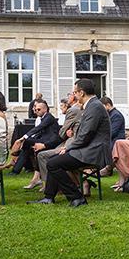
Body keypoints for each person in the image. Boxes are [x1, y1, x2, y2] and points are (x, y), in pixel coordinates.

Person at [34, 79, 112, 207]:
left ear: (81, 93)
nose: (74, 95)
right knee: (53, 161)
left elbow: (86, 135)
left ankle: (77, 197)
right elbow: (84, 134)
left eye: (75, 92)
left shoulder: (95, 106)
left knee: (53, 164)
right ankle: (49, 197)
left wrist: (68, 147)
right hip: (87, 148)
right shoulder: (92, 105)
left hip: (93, 151)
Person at [31, 92, 83, 191]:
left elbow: (61, 133)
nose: (70, 96)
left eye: (73, 93)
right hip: (69, 142)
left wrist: (67, 132)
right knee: (40, 152)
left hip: (72, 145)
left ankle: (50, 187)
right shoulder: (78, 109)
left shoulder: (73, 110)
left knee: (44, 156)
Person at [11, 98, 59, 176]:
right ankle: (17, 166)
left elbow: (39, 128)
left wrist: (23, 138)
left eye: (38, 109)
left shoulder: (49, 117)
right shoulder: (43, 118)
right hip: (44, 139)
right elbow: (39, 131)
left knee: (26, 144)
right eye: (35, 109)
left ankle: (17, 162)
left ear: (45, 109)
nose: (36, 111)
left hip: (49, 141)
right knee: (27, 146)